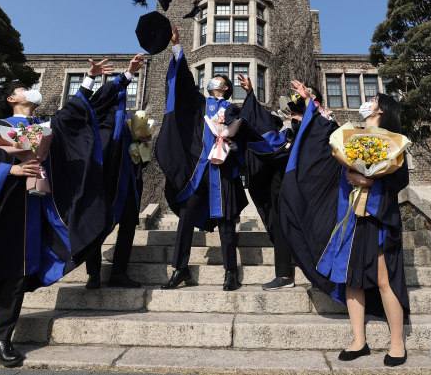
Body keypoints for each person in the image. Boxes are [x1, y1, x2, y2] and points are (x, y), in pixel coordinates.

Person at [0, 60, 114, 374]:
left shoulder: (45, 127)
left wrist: (89, 78)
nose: (32, 91)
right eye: (25, 89)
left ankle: (1, 340)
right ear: (12, 98)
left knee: (16, 279)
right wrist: (12, 169)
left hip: (32, 215)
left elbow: (72, 113)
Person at [278, 82, 410, 367]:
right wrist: (309, 100)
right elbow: (321, 131)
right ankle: (359, 340)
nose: (367, 102)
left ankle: (397, 343)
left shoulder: (394, 141)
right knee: (351, 280)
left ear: (383, 110)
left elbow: (399, 181)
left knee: (384, 280)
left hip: (377, 218)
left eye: (373, 99)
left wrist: (369, 180)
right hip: (350, 216)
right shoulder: (352, 135)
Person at [155, 25, 248, 291]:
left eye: (217, 80)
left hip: (223, 172)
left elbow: (246, 136)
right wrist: (176, 47)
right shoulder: (199, 104)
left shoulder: (234, 109)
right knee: (185, 221)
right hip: (198, 172)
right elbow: (183, 82)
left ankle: (230, 271)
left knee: (227, 223)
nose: (212, 82)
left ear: (226, 87)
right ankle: (180, 269)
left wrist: (234, 144)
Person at [236, 76, 327, 290]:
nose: (302, 93)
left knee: (312, 222)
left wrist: (304, 118)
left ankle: (321, 271)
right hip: (281, 176)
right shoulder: (283, 120)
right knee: (280, 221)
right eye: (301, 92)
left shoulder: (322, 121)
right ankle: (284, 275)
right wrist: (250, 94)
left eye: (308, 93)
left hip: (307, 179)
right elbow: (259, 123)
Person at [81, 54, 148, 290]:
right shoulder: (97, 117)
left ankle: (119, 272)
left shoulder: (128, 121)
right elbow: (106, 93)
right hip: (103, 177)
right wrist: (128, 74)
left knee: (129, 224)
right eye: (117, 95)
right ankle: (94, 274)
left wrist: (143, 143)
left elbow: (140, 158)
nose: (122, 98)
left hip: (127, 180)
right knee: (97, 223)